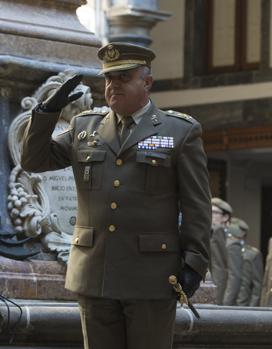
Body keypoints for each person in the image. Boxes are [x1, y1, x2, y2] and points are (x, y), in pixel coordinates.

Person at [20, 42, 211, 349]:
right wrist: (47, 111)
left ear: (146, 82)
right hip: (96, 273)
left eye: (124, 77)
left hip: (150, 275)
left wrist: (195, 262)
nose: (113, 85)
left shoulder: (179, 132)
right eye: (109, 79)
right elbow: (34, 160)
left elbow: (197, 205)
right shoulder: (85, 127)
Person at [232, 218, 264, 307]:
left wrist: (252, 309)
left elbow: (257, 287)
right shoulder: (223, 251)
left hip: (242, 305)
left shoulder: (252, 254)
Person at [210, 197, 233, 305]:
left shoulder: (224, 237)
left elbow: (222, 270)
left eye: (214, 212)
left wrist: (222, 302)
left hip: (220, 295)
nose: (210, 215)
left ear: (225, 217)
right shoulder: (212, 234)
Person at [222, 223, 244, 306]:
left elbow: (234, 276)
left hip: (222, 298)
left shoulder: (232, 245)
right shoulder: (219, 239)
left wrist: (226, 303)